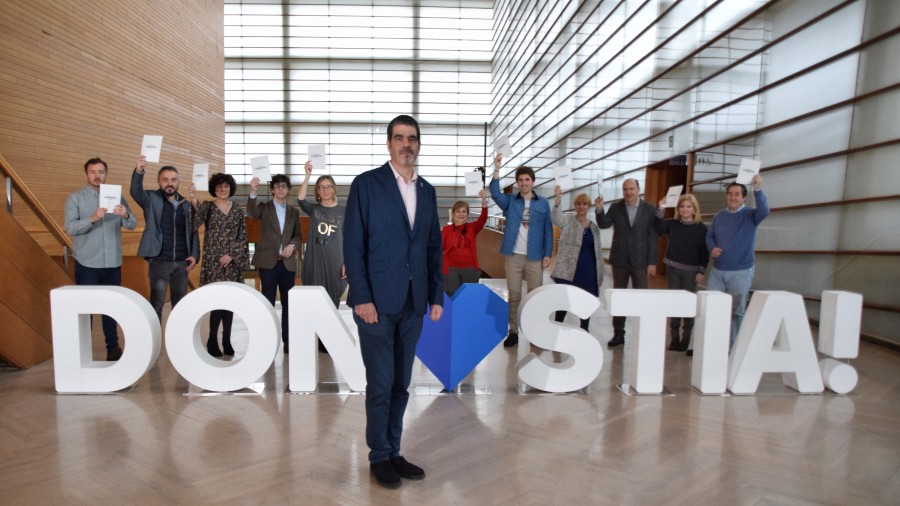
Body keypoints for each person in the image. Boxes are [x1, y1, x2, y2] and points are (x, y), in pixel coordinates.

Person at [343, 114, 443, 489]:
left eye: (412, 138)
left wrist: (435, 294)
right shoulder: (366, 185)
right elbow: (353, 246)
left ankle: (394, 449)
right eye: (399, 138)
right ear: (389, 144)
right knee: (381, 383)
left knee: (401, 384)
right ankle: (378, 456)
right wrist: (362, 297)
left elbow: (433, 246)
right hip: (377, 305)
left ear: (418, 145)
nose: (406, 144)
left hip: (414, 303)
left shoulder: (429, 191)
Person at [64, 157, 137, 361]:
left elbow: (132, 224)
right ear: (86, 174)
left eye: (101, 172)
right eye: (93, 172)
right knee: (86, 309)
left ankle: (112, 348)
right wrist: (93, 218)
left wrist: (125, 215)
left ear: (106, 173)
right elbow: (70, 228)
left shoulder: (117, 196)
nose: (97, 176)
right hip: (87, 262)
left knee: (110, 308)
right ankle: (82, 351)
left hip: (112, 262)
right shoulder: (75, 198)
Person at [489, 154, 553, 348]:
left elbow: (548, 230)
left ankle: (535, 331)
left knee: (535, 295)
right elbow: (494, 193)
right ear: (517, 183)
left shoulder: (542, 203)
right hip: (513, 255)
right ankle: (513, 331)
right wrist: (497, 169)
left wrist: (548, 253)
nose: (524, 183)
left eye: (527, 180)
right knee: (514, 295)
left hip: (535, 257)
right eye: (520, 180)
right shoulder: (510, 201)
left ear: (532, 182)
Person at [130, 157, 199, 322]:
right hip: (159, 261)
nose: (170, 183)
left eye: (173, 180)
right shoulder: (151, 199)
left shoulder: (186, 204)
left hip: (182, 263)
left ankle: (179, 340)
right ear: (159, 182)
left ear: (178, 182)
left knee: (180, 306)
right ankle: (155, 341)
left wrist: (195, 255)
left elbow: (193, 232)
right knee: (157, 304)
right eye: (165, 180)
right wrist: (139, 171)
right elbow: (135, 191)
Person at [189, 172, 249, 357]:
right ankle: (212, 339)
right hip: (214, 260)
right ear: (214, 189)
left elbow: (243, 236)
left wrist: (232, 255)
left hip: (231, 261)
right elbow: (194, 224)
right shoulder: (207, 207)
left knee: (230, 302)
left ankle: (226, 339)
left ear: (231, 188)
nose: (223, 190)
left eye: (226, 186)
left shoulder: (238, 209)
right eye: (219, 187)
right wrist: (192, 200)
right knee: (217, 301)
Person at [705, 174, 769, 349]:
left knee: (736, 312)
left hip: (741, 272)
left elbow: (764, 210)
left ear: (743, 197)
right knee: (712, 307)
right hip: (718, 271)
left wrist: (757, 188)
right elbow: (709, 236)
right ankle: (713, 343)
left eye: (736, 194)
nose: (732, 197)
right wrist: (712, 247)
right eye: (730, 194)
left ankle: (733, 346)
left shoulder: (751, 215)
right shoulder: (719, 216)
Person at [595, 178, 659, 348]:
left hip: (641, 261)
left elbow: (653, 238)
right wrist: (599, 209)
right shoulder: (616, 207)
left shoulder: (650, 209)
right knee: (619, 299)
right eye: (625, 189)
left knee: (642, 299)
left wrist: (652, 262)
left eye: (631, 188)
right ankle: (618, 334)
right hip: (620, 260)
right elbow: (603, 224)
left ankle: (642, 332)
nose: (628, 192)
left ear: (638, 190)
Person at [247, 173, 301, 354]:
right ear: (272, 190)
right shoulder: (264, 208)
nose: (280, 189)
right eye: (277, 186)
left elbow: (298, 235)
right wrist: (253, 191)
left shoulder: (294, 211)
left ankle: (288, 341)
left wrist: (293, 245)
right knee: (267, 303)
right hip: (268, 263)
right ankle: (267, 341)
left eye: (283, 186)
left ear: (288, 190)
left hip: (287, 264)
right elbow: (252, 213)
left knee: (289, 305)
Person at [654, 194, 708, 352]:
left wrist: (701, 270)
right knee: (674, 304)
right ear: (678, 209)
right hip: (673, 269)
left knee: (689, 305)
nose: (685, 209)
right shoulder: (672, 224)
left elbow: (704, 252)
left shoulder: (701, 228)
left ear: (694, 210)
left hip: (691, 272)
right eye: (682, 206)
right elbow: (658, 226)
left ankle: (686, 339)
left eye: (688, 206)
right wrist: (661, 208)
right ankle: (674, 338)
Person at [550, 187, 604, 331]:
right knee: (563, 299)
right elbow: (556, 218)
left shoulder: (594, 227)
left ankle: (584, 329)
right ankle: (557, 327)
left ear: (588, 206)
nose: (581, 206)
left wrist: (600, 271)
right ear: (575, 205)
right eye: (579, 203)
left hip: (588, 269)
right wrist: (558, 201)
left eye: (584, 204)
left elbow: (598, 251)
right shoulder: (567, 219)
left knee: (585, 300)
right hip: (567, 267)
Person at [297, 160, 347, 309]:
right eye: (321, 187)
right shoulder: (314, 209)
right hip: (315, 260)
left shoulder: (344, 211)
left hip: (335, 261)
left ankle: (329, 332)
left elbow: (350, 240)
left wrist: (347, 263)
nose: (325, 190)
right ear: (317, 191)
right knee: (315, 302)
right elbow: (300, 199)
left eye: (328, 186)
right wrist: (307, 175)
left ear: (334, 189)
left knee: (332, 303)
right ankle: (317, 333)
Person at [441, 189, 488, 296]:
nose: (461, 214)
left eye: (464, 211)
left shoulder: (472, 228)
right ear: (453, 214)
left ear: (467, 213)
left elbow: (483, 218)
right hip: (451, 269)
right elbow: (440, 249)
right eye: (458, 211)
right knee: (452, 295)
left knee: (468, 296)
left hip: (470, 269)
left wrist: (484, 200)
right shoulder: (446, 230)